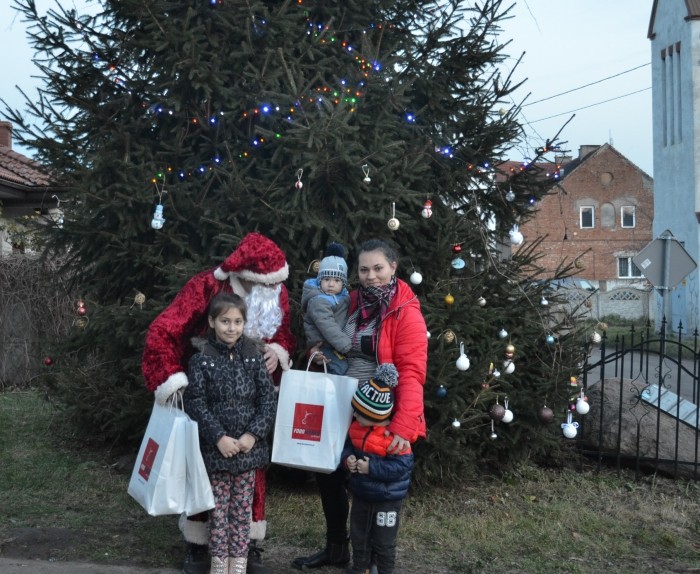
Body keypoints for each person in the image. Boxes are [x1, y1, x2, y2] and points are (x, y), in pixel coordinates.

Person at [142, 232, 296, 574]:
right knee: (203, 472)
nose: (271, 293)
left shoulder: (277, 289)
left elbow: (284, 331)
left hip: (252, 397)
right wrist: (171, 377)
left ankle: (246, 547)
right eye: (261, 285)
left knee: (250, 478)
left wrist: (279, 350)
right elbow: (163, 331)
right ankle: (199, 544)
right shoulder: (207, 287)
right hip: (207, 390)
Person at [292, 238, 427, 570]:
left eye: (378, 268)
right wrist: (315, 353)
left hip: (378, 412)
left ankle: (369, 558)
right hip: (339, 400)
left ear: (393, 267)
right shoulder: (349, 301)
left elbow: (412, 371)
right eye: (364, 269)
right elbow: (324, 334)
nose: (371, 276)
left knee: (368, 486)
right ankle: (337, 548)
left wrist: (404, 425)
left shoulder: (404, 312)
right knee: (329, 473)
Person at [183, 293, 277, 574]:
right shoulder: (202, 360)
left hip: (248, 453)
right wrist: (218, 438)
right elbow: (196, 403)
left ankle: (238, 565)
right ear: (212, 322)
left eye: (237, 322)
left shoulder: (253, 357)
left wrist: (252, 435)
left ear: (244, 323)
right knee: (218, 512)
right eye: (225, 321)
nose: (231, 328)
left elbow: (267, 401)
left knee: (241, 512)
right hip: (217, 453)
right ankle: (218, 564)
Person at [342, 363, 413, 574]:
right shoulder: (356, 428)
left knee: (384, 541)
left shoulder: (394, 438)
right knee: (359, 535)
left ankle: (384, 570)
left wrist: (370, 468)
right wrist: (348, 460)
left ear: (376, 417)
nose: (355, 416)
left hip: (387, 499)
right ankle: (359, 568)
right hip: (362, 495)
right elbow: (346, 448)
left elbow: (401, 466)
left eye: (360, 414)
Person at [301, 243, 352, 375]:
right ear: (319, 281)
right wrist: (346, 346)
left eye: (336, 280)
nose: (331, 284)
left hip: (334, 345)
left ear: (343, 283)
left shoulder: (342, 297)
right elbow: (327, 325)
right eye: (326, 279)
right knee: (340, 370)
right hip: (324, 346)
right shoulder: (318, 300)